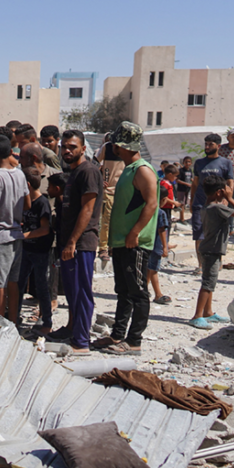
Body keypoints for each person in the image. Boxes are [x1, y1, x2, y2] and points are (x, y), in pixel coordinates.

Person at [95, 122, 157, 356]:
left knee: (138, 292)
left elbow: (151, 203)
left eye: (117, 146)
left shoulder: (142, 170)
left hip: (135, 244)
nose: (115, 150)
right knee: (123, 291)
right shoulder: (127, 169)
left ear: (124, 146)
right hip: (121, 242)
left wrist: (135, 232)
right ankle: (118, 334)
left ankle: (134, 341)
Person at [50, 129, 103, 355]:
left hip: (82, 243)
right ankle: (73, 330)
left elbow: (88, 209)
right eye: (64, 147)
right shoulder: (73, 172)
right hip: (70, 242)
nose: (67, 150)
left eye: (72, 146)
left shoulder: (88, 171)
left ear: (83, 148)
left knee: (82, 292)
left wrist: (72, 241)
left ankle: (82, 341)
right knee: (72, 291)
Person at [190, 174, 234, 329]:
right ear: (220, 192)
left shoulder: (207, 206)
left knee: (210, 281)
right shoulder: (218, 208)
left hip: (209, 249)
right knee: (208, 283)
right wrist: (232, 199)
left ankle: (208, 312)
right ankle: (197, 315)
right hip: (212, 250)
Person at [0, 136, 26, 322]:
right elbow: (27, 204)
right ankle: (13, 322)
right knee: (13, 283)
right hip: (17, 234)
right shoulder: (20, 174)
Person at [189, 134, 234, 269]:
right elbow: (195, 184)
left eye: (211, 144)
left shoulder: (226, 163)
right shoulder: (199, 163)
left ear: (218, 146)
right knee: (199, 234)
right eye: (206, 144)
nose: (207, 147)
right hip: (200, 203)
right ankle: (201, 265)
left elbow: (230, 183)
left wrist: (227, 200)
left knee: (216, 234)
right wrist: (191, 201)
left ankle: (216, 263)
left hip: (217, 205)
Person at [21, 168, 55, 334]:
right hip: (26, 249)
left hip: (40, 250)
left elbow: (45, 229)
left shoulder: (42, 203)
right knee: (19, 283)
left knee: (42, 285)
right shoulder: (25, 202)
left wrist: (24, 235)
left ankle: (46, 320)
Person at [96, 134, 125, 262]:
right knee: (106, 221)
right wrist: (99, 179)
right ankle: (103, 248)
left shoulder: (128, 149)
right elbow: (93, 163)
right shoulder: (106, 148)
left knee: (119, 221)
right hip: (108, 191)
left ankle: (114, 246)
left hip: (123, 191)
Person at [149, 193, 171, 306]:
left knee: (148, 268)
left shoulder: (147, 208)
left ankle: (143, 290)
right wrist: (165, 247)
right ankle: (158, 294)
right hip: (156, 245)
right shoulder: (161, 213)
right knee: (153, 270)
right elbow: (162, 230)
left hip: (146, 244)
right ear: (163, 199)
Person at [175, 157, 193, 222]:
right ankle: (182, 219)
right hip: (181, 189)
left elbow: (190, 178)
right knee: (181, 204)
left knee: (185, 204)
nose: (187, 163)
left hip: (187, 189)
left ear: (191, 163)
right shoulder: (181, 170)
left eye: (189, 162)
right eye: (186, 162)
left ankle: (182, 218)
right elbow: (177, 180)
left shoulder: (190, 170)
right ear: (183, 162)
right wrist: (186, 184)